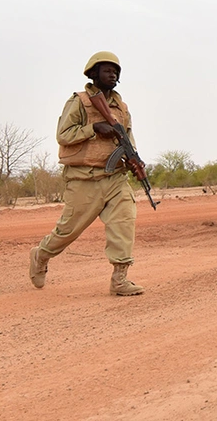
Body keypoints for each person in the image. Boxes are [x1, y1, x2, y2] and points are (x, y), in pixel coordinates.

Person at [29, 51, 145, 296]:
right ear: (93, 73)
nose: (112, 74)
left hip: (116, 177)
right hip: (84, 178)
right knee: (68, 230)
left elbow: (128, 137)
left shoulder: (121, 107)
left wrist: (135, 159)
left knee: (123, 223)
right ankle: (41, 255)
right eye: (107, 70)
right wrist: (93, 128)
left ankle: (120, 279)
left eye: (116, 71)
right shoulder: (79, 102)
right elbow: (64, 135)